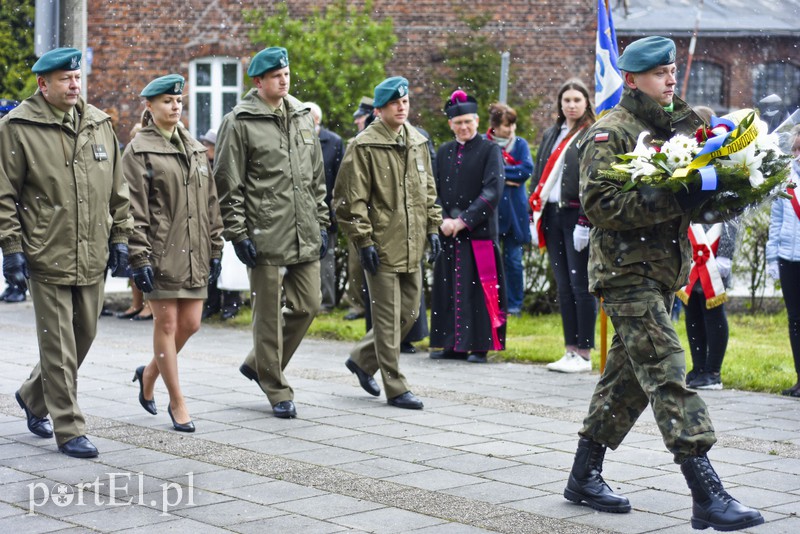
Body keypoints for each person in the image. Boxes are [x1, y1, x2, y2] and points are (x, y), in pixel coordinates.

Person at [561, 36, 764, 531]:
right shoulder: (611, 133)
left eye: (673, 71)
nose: (671, 80)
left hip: (662, 274)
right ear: (631, 80)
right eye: (658, 74)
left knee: (625, 383)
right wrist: (680, 194)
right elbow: (603, 206)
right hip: (626, 275)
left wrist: (729, 189)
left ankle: (582, 477)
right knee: (668, 372)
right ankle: (706, 493)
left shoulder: (681, 128)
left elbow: (694, 200)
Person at [0, 48, 132, 458]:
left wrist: (121, 239)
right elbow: (4, 194)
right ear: (43, 85)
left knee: (83, 335)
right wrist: (12, 249)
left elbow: (118, 190)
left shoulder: (98, 124)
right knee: (58, 344)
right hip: (46, 249)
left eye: (77, 78)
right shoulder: (17, 128)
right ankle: (69, 427)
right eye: (65, 79)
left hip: (92, 252)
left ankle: (31, 395)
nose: (75, 85)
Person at [214, 47, 329, 419]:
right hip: (262, 231)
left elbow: (316, 178)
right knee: (266, 314)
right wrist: (238, 232)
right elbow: (227, 184)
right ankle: (276, 387)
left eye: (287, 72)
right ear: (258, 81)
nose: (284, 78)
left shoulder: (300, 116)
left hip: (304, 229)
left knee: (308, 305)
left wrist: (323, 221)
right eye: (276, 75)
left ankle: (258, 363)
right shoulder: (240, 121)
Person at [334, 76, 442, 409]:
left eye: (405, 101)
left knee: (408, 314)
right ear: (379, 109)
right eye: (395, 103)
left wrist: (434, 228)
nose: (402, 106)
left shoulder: (417, 141)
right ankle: (396, 386)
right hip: (380, 243)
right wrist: (363, 240)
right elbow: (350, 200)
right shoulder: (364, 145)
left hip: (412, 242)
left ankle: (362, 359)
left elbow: (428, 192)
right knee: (386, 317)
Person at [124, 74, 224, 432]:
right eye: (166, 101)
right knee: (166, 323)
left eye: (178, 100)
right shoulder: (138, 150)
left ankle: (149, 373)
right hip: (160, 251)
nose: (175, 106)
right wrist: (139, 257)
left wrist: (216, 246)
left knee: (192, 323)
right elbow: (133, 209)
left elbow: (210, 204)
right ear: (149, 107)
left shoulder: (196, 149)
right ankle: (177, 402)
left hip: (195, 250)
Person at [429, 90, 506, 364]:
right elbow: (434, 189)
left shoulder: (490, 150)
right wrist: (443, 219)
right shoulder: (444, 151)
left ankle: (478, 345)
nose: (463, 127)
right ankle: (450, 342)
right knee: (448, 288)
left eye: (468, 121)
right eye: (458, 122)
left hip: (478, 233)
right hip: (449, 232)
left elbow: (492, 191)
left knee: (477, 291)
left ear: (476, 120)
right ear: (451, 124)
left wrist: (463, 221)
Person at [529, 79, 597, 373]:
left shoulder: (591, 134)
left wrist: (585, 219)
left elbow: (592, 180)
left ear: (586, 104)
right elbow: (538, 173)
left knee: (580, 284)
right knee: (563, 286)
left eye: (576, 100)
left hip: (575, 216)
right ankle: (569, 349)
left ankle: (584, 352)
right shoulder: (551, 133)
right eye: (566, 100)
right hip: (551, 216)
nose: (571, 105)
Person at [677, 220, 738, 390]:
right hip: (691, 249)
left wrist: (726, 253)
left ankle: (713, 372)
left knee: (713, 312)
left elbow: (732, 216)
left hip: (714, 252)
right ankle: (699, 367)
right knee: (692, 311)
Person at [487, 102, 533, 317]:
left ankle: (515, 304)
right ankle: (494, 302)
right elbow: (485, 173)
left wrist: (499, 176)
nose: (511, 130)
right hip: (493, 213)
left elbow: (526, 170)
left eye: (512, 125)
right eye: (506, 126)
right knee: (492, 262)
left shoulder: (520, 144)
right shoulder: (486, 144)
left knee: (513, 261)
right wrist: (506, 176)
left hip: (515, 212)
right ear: (495, 126)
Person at [766, 126, 800, 398]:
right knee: (795, 319)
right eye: (795, 150)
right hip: (788, 258)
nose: (798, 155)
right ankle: (799, 377)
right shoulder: (785, 179)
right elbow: (775, 221)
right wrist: (771, 257)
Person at [199, 128, 245, 321]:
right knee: (212, 264)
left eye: (209, 145)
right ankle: (212, 303)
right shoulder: (202, 164)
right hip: (209, 221)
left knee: (229, 267)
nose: (205, 147)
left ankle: (231, 304)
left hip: (226, 221)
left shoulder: (227, 166)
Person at [305, 101, 344, 314]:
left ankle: (326, 302)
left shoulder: (334, 142)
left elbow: (340, 178)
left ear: (317, 120)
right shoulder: (296, 138)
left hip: (325, 209)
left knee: (326, 258)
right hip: (301, 209)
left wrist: (335, 209)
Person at [342, 96, 375, 321]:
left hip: (375, 212)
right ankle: (358, 304)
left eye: (361, 117)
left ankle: (369, 306)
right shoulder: (355, 142)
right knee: (355, 263)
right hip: (357, 211)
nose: (357, 122)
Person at [0, 100, 25, 304]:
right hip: (9, 203)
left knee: (16, 247)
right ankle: (12, 285)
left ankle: (19, 287)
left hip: (20, 205)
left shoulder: (14, 135)